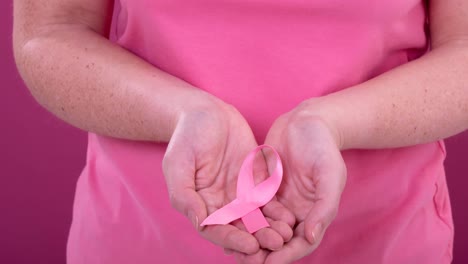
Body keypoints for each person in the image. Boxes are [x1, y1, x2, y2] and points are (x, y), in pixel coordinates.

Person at [12, 0, 467, 263]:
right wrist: (180, 112)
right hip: (142, 238)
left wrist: (335, 123)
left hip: (382, 242)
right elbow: (51, 32)